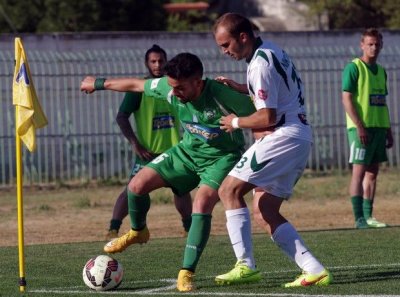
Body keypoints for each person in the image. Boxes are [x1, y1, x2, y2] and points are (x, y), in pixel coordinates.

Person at [80, 52, 257, 292]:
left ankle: (186, 272)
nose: (174, 92)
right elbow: (136, 85)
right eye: (171, 86)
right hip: (186, 153)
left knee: (202, 203)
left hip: (222, 158)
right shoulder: (170, 86)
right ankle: (138, 231)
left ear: (197, 81)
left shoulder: (221, 95)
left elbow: (263, 113)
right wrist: (98, 84)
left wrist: (244, 102)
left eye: (180, 87)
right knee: (136, 186)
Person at [213, 12, 332, 287]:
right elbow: (276, 90)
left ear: (243, 37)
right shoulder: (271, 50)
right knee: (265, 209)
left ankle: (245, 265)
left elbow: (267, 117)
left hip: (282, 137)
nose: (224, 52)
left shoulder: (259, 65)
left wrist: (235, 121)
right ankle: (314, 269)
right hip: (299, 137)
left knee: (228, 190)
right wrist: (241, 88)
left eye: (225, 45)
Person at [105, 45, 192, 241]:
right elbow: (121, 117)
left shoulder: (174, 86)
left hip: (173, 152)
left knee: (182, 190)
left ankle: (189, 228)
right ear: (147, 63)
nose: (158, 65)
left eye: (161, 60)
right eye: (153, 61)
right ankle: (113, 228)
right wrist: (136, 144)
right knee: (133, 189)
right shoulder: (139, 89)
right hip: (148, 153)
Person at [341, 28, 393, 229]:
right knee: (359, 172)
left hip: (379, 128)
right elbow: (346, 98)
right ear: (362, 45)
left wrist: (388, 130)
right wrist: (360, 126)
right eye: (370, 44)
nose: (374, 47)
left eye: (377, 44)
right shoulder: (354, 68)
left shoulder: (381, 70)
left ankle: (369, 216)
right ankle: (359, 219)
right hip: (360, 129)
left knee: (373, 173)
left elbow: (382, 102)